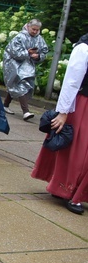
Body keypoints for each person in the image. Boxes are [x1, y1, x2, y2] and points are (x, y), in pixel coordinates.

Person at [31, 33, 88, 214]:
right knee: (77, 153)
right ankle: (68, 191)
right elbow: (71, 82)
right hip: (81, 105)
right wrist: (63, 112)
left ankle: (70, 190)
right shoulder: (84, 48)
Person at [2, 19, 48, 121]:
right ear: (28, 27)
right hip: (14, 63)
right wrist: (28, 53)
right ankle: (25, 111)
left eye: (37, 30)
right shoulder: (19, 37)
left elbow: (44, 51)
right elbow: (14, 52)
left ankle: (5, 105)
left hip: (27, 65)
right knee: (20, 84)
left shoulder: (39, 39)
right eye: (33, 29)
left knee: (16, 84)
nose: (35, 32)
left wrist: (38, 56)